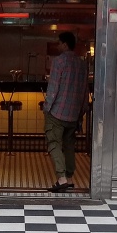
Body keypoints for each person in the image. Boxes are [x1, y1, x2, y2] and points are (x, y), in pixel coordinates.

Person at [42, 31, 88, 192]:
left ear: (65, 44)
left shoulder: (59, 62)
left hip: (57, 113)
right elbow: (84, 91)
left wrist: (46, 108)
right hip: (73, 114)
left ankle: (61, 179)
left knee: (54, 143)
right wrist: (81, 112)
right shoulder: (82, 64)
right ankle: (69, 177)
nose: (57, 45)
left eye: (59, 43)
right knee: (69, 145)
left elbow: (53, 88)